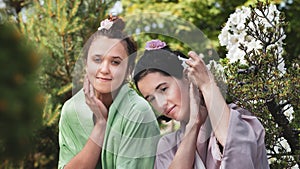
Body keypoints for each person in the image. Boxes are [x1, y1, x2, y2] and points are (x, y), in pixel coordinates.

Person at [133, 39, 270, 169]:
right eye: (151, 99)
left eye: (163, 89)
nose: (161, 104)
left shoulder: (241, 121)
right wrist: (193, 124)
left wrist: (206, 85)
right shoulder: (168, 146)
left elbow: (240, 157)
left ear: (186, 77)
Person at [58, 16, 160, 169]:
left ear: (128, 70)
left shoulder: (138, 113)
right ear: (86, 64)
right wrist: (100, 126)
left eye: (115, 62)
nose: (104, 70)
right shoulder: (72, 109)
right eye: (97, 60)